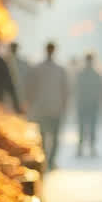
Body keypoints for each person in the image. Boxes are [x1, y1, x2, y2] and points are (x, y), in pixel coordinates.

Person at [24, 42, 69, 170]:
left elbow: (65, 89)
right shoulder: (44, 69)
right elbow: (31, 87)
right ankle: (47, 160)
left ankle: (50, 160)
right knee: (45, 135)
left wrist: (64, 105)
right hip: (45, 107)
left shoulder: (57, 69)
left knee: (52, 136)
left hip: (51, 107)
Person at [74, 54, 102, 157]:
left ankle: (84, 147)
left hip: (85, 104)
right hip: (89, 104)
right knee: (89, 127)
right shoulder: (95, 74)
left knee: (85, 127)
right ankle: (87, 147)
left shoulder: (82, 74)